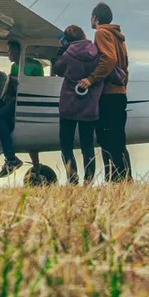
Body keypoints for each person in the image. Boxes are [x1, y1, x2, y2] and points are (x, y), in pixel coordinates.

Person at [78, 2, 131, 182]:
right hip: (119, 94)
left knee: (106, 138)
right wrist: (122, 87)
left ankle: (116, 179)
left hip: (108, 95)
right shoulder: (118, 37)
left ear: (95, 18)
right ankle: (124, 178)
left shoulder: (101, 33)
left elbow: (109, 59)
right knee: (118, 139)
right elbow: (125, 68)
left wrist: (91, 79)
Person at [52, 25, 101, 185]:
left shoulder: (67, 54)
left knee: (66, 145)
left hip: (69, 106)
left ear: (68, 40)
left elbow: (58, 69)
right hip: (89, 106)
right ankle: (89, 180)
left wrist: (62, 49)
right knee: (87, 146)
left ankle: (72, 178)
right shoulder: (96, 52)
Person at [0, 40, 44, 177]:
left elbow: (38, 86)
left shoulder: (35, 66)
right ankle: (6, 132)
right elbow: (12, 87)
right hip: (14, 99)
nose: (9, 54)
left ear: (20, 51)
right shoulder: (14, 67)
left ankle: (11, 158)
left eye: (11, 51)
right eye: (8, 51)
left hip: (27, 101)